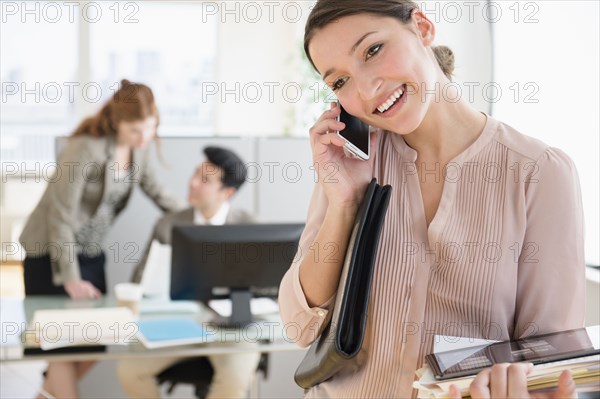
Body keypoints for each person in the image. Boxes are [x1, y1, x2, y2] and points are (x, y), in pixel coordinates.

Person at [278, 1, 586, 398]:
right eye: (339, 82)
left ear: (422, 27)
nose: (367, 89)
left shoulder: (538, 172)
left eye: (373, 50)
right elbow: (298, 325)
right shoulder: (355, 161)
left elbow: (550, 364)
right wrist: (343, 203)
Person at [19, 79, 183, 399]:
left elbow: (159, 194)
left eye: (149, 129)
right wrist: (69, 278)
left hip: (91, 252)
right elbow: (61, 215)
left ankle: (45, 392)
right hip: (52, 253)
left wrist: (198, 223)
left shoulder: (138, 151)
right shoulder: (85, 147)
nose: (143, 138)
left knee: (99, 337)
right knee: (60, 344)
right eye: (135, 130)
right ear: (117, 121)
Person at [117, 146, 261, 399]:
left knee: (235, 378)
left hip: (230, 331)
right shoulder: (169, 224)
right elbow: (139, 281)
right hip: (177, 327)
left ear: (226, 192)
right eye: (195, 174)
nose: (192, 183)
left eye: (205, 180)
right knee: (129, 371)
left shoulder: (248, 228)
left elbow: (266, 289)